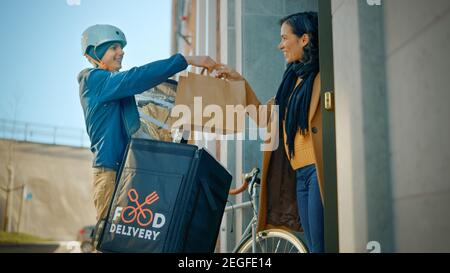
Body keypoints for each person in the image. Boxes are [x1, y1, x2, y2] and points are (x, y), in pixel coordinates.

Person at [78, 24, 217, 222]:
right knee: (113, 241)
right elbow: (137, 77)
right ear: (96, 52)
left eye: (121, 47)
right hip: (110, 172)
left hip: (129, 170)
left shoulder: (113, 86)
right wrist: (185, 60)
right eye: (114, 48)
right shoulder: (93, 80)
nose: (121, 52)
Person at [216, 12, 324, 253]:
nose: (280, 45)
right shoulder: (291, 82)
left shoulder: (322, 77)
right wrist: (238, 82)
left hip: (318, 171)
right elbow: (264, 117)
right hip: (300, 175)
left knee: (319, 246)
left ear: (304, 39)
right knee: (315, 245)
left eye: (285, 38)